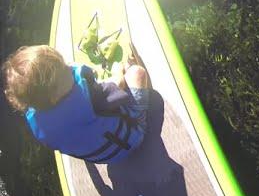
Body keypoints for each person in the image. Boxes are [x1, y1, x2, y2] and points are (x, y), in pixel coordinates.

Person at [1, 44, 151, 164]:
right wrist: (121, 70)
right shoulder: (90, 98)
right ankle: (139, 117)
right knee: (137, 73)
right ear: (55, 96)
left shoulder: (39, 126)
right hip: (131, 140)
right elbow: (119, 85)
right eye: (66, 69)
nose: (69, 67)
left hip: (103, 158)